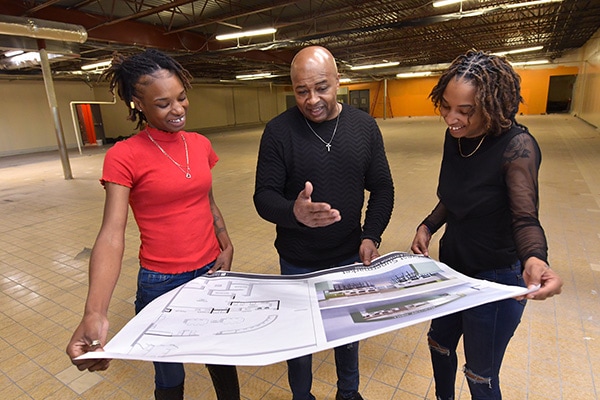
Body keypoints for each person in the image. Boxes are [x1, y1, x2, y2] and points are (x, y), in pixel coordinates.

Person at [66, 49, 240, 400]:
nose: (177, 110)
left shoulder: (200, 144)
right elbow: (112, 233)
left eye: (181, 98)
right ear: (138, 104)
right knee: (168, 370)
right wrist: (94, 312)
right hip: (162, 282)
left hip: (210, 273)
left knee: (220, 355)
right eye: (163, 104)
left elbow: (205, 199)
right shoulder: (124, 155)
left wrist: (226, 243)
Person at [410, 50, 563, 400]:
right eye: (446, 106)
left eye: (465, 111)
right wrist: (428, 225)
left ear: (496, 105)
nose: (451, 118)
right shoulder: (457, 136)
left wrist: (536, 260)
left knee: (480, 377)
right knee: (439, 344)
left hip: (495, 277)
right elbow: (457, 194)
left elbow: (524, 217)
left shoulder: (517, 147)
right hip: (453, 269)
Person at [253, 46, 395, 400]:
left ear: (338, 82)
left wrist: (371, 235)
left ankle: (348, 393)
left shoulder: (363, 127)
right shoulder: (278, 131)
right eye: (301, 91)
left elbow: (382, 187)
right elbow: (264, 196)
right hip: (297, 261)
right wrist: (293, 213)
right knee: (299, 340)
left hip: (348, 256)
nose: (312, 99)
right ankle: (302, 396)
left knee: (346, 336)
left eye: (321, 88)